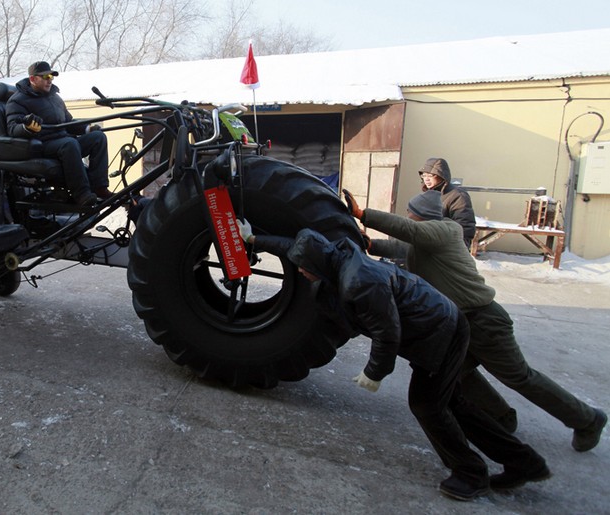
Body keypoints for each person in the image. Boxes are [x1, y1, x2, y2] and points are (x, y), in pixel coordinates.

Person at [238, 224, 550, 501]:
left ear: (315, 264)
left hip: (440, 333)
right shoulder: (334, 256)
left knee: (428, 405)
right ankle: (525, 463)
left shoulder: (359, 282)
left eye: (303, 268)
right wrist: (253, 237)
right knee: (453, 404)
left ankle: (471, 474)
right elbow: (293, 246)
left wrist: (374, 373)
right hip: (436, 326)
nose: (301, 273)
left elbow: (388, 333)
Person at [343, 188, 607, 452]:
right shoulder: (427, 240)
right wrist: (371, 245)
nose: (407, 217)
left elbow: (410, 233)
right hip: (458, 323)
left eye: (411, 213)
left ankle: (587, 419)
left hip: (484, 320)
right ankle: (501, 417)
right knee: (458, 373)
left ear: (423, 216)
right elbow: (403, 245)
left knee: (520, 377)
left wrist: (363, 214)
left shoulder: (446, 231)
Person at [5, 61, 111, 206]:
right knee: (70, 144)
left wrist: (88, 128)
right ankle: (81, 194)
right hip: (42, 145)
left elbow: (68, 122)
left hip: (63, 140)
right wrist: (27, 127)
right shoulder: (17, 101)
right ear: (33, 79)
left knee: (98, 138)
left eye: (51, 76)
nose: (50, 80)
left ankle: (99, 187)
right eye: (45, 77)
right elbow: (12, 128)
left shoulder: (55, 98)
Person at [418, 157, 476, 248]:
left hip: (448, 249)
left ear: (441, 175)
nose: (426, 179)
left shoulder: (458, 196)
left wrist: (456, 251)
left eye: (430, 175)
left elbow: (465, 227)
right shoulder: (428, 195)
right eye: (424, 176)